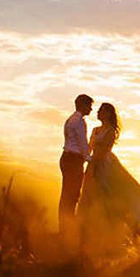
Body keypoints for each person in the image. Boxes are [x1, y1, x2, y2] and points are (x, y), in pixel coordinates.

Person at [78, 102, 140, 250]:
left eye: (101, 111)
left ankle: (136, 228)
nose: (98, 112)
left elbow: (104, 151)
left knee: (116, 195)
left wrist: (95, 166)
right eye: (98, 110)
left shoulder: (110, 131)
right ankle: (87, 231)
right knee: (89, 195)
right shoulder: (95, 130)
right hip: (93, 164)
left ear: (108, 114)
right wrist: (87, 162)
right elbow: (89, 148)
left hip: (106, 166)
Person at [59, 93, 93, 236]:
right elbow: (82, 143)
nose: (91, 109)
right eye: (89, 106)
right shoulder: (79, 121)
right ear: (82, 105)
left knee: (66, 194)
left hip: (66, 158)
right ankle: (68, 228)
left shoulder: (70, 119)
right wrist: (89, 159)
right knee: (72, 195)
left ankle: (65, 226)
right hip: (73, 160)